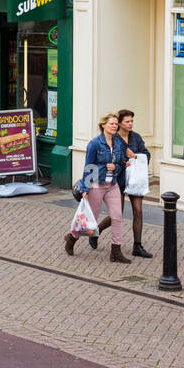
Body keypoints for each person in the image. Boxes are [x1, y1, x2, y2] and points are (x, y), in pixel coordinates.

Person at [66, 112, 131, 262]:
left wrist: (116, 166)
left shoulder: (119, 142)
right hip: (97, 184)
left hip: (112, 184)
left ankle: (115, 252)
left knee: (117, 217)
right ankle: (71, 238)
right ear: (103, 125)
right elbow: (89, 166)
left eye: (116, 124)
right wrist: (85, 190)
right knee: (90, 220)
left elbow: (122, 161)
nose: (114, 126)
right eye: (111, 124)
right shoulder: (95, 143)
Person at [90, 109, 153, 258]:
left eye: (132, 121)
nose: (130, 124)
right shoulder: (115, 138)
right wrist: (122, 161)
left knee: (138, 211)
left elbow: (147, 153)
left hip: (135, 180)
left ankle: (137, 246)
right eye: (127, 121)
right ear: (120, 123)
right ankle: (96, 231)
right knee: (116, 214)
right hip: (118, 180)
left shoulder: (136, 138)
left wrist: (136, 155)